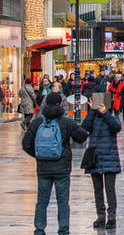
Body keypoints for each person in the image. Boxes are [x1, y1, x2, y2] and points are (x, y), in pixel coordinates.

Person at [22, 92, 89, 235]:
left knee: (42, 201)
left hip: (43, 168)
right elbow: (82, 137)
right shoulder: (66, 122)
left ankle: (39, 229)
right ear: (60, 104)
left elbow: (26, 144)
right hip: (62, 168)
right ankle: (63, 230)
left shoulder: (38, 122)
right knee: (63, 201)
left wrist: (39, 155)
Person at [82, 100, 121, 230]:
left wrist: (105, 113)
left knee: (110, 189)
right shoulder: (92, 118)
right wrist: (92, 111)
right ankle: (100, 216)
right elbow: (84, 127)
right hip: (95, 157)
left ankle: (111, 217)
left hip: (109, 157)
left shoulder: (112, 117)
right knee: (97, 190)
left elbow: (116, 127)